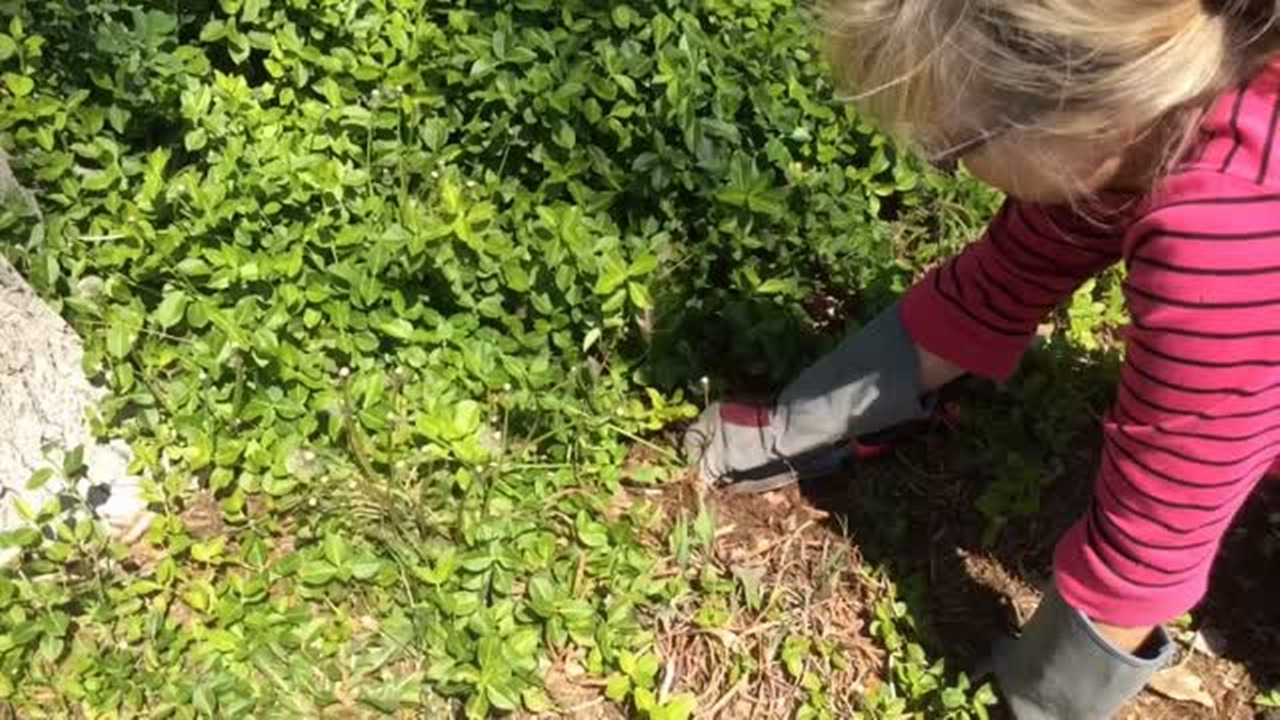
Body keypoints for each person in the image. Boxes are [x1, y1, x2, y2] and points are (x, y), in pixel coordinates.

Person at [682, 1, 1280, 717]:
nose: (954, 170)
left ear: (1074, 110)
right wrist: (798, 423)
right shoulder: (1159, 100)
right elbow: (1005, 280)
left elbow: (1154, 527)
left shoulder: (1227, 232)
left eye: (954, 146)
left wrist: (1030, 704)